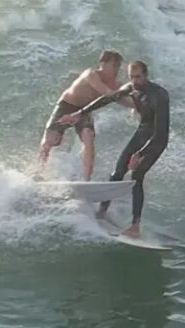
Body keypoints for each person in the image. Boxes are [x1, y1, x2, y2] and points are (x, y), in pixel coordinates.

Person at [61, 61, 169, 238]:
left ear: (146, 75)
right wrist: (80, 112)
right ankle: (102, 212)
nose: (134, 81)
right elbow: (107, 99)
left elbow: (160, 132)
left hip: (156, 139)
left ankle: (135, 225)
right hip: (142, 132)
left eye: (138, 77)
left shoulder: (159, 95)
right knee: (117, 173)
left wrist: (140, 154)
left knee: (136, 175)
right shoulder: (131, 88)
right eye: (131, 77)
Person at [39, 50, 131, 181]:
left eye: (118, 66)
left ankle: (86, 179)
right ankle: (40, 171)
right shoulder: (91, 74)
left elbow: (124, 99)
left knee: (88, 136)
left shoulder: (115, 84)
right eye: (114, 65)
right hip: (67, 105)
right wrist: (123, 96)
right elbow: (108, 94)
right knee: (51, 139)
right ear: (103, 64)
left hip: (83, 110)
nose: (116, 69)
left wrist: (137, 108)